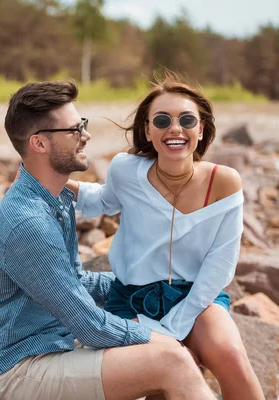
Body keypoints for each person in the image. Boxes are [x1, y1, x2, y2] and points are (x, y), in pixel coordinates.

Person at [0, 81, 217, 400]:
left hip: (54, 347)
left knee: (174, 333)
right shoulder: (29, 221)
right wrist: (160, 340)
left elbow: (77, 281)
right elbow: (90, 325)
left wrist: (159, 288)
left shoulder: (55, 200)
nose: (85, 135)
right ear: (39, 143)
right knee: (171, 359)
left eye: (82, 124)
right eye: (74, 129)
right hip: (18, 368)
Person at [66, 73, 264, 400]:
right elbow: (102, 200)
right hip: (130, 300)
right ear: (147, 130)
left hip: (197, 298)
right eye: (162, 120)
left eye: (187, 119)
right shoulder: (125, 169)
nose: (175, 128)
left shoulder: (225, 182)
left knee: (230, 353)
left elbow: (221, 265)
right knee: (166, 374)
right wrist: (48, 179)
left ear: (201, 129)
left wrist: (179, 322)